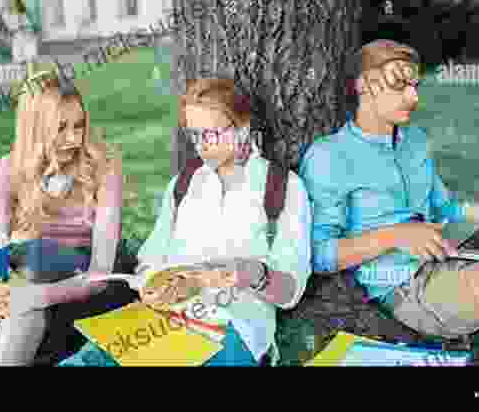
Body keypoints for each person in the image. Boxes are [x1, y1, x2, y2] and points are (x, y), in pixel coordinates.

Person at [298, 39, 479, 344]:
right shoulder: (327, 156)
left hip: (453, 248)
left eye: (414, 84)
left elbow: (447, 211)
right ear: (364, 86)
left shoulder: (414, 140)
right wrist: (397, 235)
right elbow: (318, 255)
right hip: (408, 286)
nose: (413, 97)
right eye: (399, 84)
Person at [59, 77, 312, 366]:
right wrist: (155, 284)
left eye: (212, 133)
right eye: (194, 134)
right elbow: (151, 259)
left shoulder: (282, 187)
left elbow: (291, 291)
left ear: (243, 128)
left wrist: (255, 275)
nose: (202, 145)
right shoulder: (185, 183)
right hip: (161, 320)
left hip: (232, 326)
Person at [0, 71, 134, 366]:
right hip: (27, 275)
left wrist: (35, 296)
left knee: (22, 306)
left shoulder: (104, 169)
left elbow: (99, 275)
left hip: (82, 289)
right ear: (35, 128)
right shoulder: (8, 170)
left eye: (79, 126)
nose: (73, 138)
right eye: (60, 128)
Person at [5, 0, 38, 80]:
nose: (13, 3)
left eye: (15, 1)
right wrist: (13, 30)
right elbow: (7, 30)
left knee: (31, 62)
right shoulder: (8, 15)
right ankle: (25, 84)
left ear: (19, 2)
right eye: (11, 2)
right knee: (20, 65)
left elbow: (35, 27)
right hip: (17, 41)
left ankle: (34, 82)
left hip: (29, 40)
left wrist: (27, 27)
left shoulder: (27, 13)